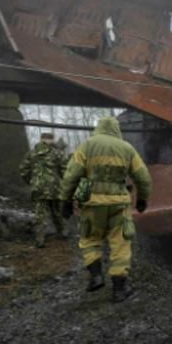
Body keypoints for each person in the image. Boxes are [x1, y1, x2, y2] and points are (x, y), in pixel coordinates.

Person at [58, 117, 152, 303]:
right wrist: (142, 199)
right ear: (117, 129)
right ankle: (119, 290)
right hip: (119, 205)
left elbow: (71, 176)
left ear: (99, 128)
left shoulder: (87, 145)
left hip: (92, 204)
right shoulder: (127, 148)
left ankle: (96, 276)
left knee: (90, 239)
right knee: (120, 244)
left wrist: (65, 201)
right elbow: (144, 177)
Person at [19, 132, 69, 248]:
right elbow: (65, 171)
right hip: (54, 188)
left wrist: (32, 182)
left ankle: (40, 240)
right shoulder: (57, 153)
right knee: (56, 211)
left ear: (41, 139)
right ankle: (63, 232)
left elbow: (23, 170)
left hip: (38, 188)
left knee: (40, 214)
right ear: (51, 140)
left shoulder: (31, 153)